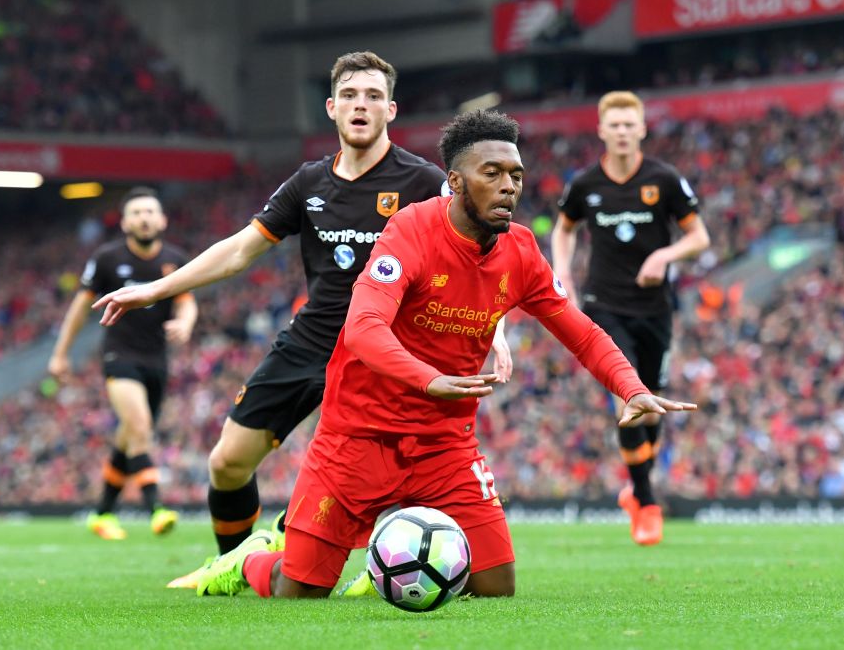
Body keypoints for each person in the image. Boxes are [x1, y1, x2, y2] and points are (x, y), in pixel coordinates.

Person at [191, 109, 697, 600]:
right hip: (357, 439)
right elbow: (363, 328)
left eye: (516, 175)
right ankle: (251, 559)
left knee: (496, 586)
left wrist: (630, 387)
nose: (509, 187)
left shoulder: (520, 251)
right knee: (297, 592)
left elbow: (582, 333)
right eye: (492, 173)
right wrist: (429, 379)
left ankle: (384, 565)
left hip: (444, 445)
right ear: (455, 181)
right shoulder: (410, 230)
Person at [91, 52, 513, 585]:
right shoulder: (309, 183)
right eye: (352, 97)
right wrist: (156, 289)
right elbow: (240, 250)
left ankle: (384, 564)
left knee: (387, 469)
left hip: (389, 351)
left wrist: (494, 329)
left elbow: (471, 257)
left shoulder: (424, 180)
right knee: (227, 463)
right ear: (333, 109)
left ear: (391, 110)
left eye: (374, 97)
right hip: (313, 342)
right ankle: (235, 563)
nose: (362, 106)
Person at [550, 91, 710, 546]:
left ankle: (636, 490)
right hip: (603, 306)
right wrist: (563, 272)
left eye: (628, 124)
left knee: (651, 404)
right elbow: (564, 228)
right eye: (613, 125)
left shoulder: (664, 179)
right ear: (601, 130)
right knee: (630, 398)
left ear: (641, 129)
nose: (621, 132)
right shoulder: (585, 183)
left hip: (655, 308)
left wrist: (666, 253)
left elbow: (700, 236)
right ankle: (646, 500)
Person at [48, 187, 198, 540]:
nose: (144, 218)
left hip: (157, 360)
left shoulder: (176, 258)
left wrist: (186, 322)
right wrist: (59, 353)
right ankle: (156, 508)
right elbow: (80, 307)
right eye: (136, 213)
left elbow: (188, 302)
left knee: (130, 434)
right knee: (139, 424)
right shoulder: (106, 258)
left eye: (150, 212)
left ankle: (101, 514)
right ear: (125, 221)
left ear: (162, 219)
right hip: (120, 356)